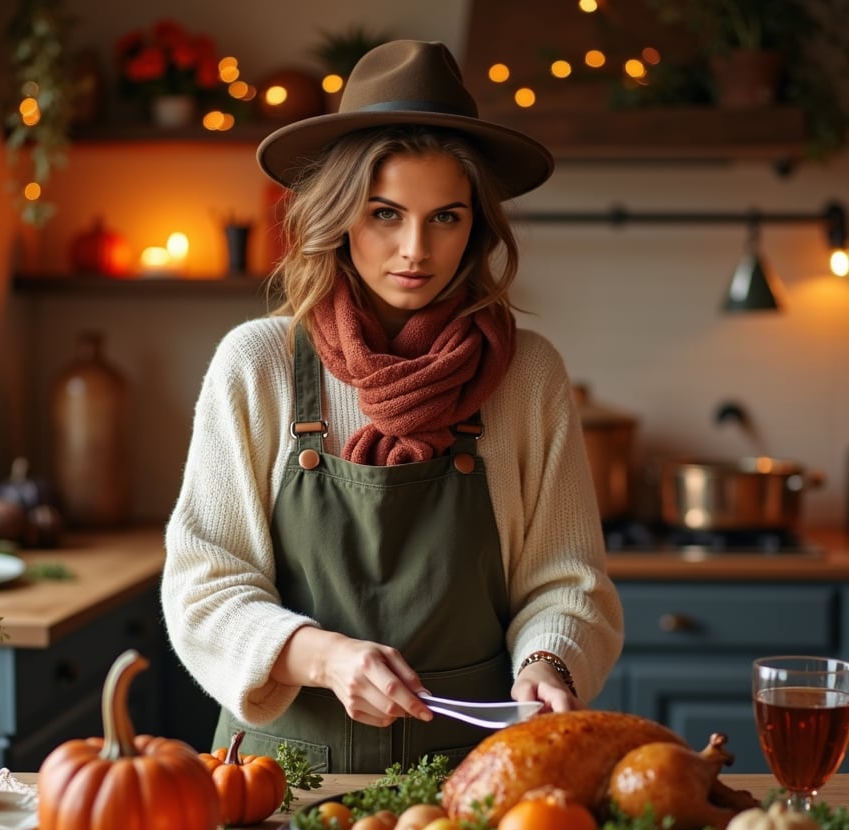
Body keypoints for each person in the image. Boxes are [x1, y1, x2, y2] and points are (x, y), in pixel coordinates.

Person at [161, 39, 623, 773]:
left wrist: (549, 663)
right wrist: (323, 657)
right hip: (277, 778)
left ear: (477, 226)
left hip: (478, 775)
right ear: (341, 214)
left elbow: (567, 580)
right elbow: (204, 584)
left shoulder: (528, 373)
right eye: (385, 213)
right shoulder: (258, 365)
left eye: (446, 217)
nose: (416, 249)